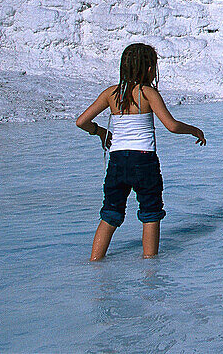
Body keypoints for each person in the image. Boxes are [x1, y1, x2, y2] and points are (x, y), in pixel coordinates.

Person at [76, 43, 206, 261]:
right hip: (144, 161)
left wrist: (100, 132)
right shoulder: (147, 93)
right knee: (150, 212)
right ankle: (150, 270)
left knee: (110, 212)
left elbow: (81, 121)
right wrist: (195, 130)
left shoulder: (111, 93)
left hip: (117, 160)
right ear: (148, 69)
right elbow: (171, 126)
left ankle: (94, 263)